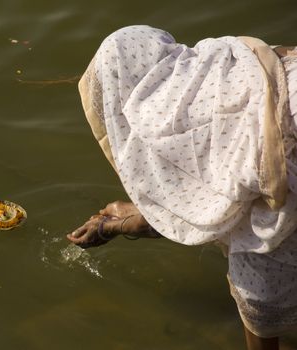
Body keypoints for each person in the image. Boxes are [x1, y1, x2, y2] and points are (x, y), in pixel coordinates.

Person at [66, 25, 297, 350]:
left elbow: (261, 295)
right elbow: (212, 199)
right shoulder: (235, 65)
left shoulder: (266, 168)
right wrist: (127, 222)